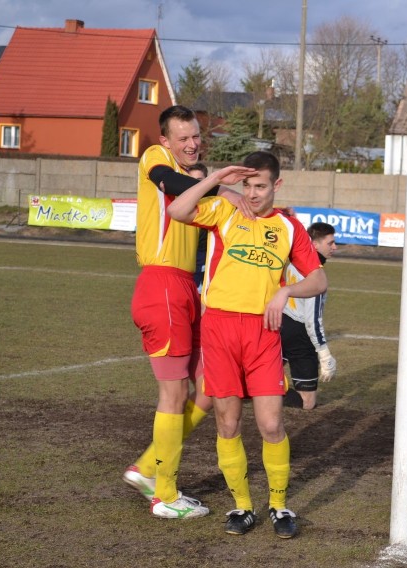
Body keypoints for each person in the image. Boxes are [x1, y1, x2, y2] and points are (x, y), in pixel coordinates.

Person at [167, 150, 327, 539]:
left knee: (271, 424)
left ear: (277, 185)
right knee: (227, 422)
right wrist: (218, 179)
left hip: (263, 334)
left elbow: (318, 280)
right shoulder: (225, 211)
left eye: (260, 186)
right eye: (247, 185)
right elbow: (178, 211)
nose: (252, 194)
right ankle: (241, 506)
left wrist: (285, 290)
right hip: (219, 330)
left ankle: (278, 504)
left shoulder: (289, 228)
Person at [122, 105, 255, 520]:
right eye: (182, 138)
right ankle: (164, 495)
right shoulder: (154, 159)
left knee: (209, 386)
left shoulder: (197, 191)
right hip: (161, 285)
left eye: (196, 135)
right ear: (165, 141)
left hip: (185, 290)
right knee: (174, 393)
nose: (192, 143)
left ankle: (147, 467)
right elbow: (172, 182)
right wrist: (221, 184)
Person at [281, 222, 338, 410]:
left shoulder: (295, 261)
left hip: (283, 325)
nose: (334, 247)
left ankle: (264, 386)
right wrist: (324, 353)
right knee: (307, 402)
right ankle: (268, 389)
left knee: (264, 370)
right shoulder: (314, 273)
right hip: (299, 333)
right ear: (314, 245)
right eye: (330, 243)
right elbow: (312, 319)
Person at [185, 163, 210, 290]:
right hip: (186, 257)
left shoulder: (215, 204)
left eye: (199, 181)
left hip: (205, 257)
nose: (195, 184)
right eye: (191, 180)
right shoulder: (181, 205)